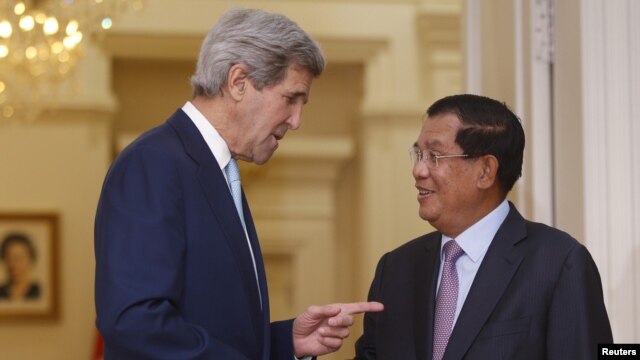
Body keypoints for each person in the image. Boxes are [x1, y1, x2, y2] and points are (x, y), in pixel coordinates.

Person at [94, 7, 382, 360]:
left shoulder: (215, 169)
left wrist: (285, 341)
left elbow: (210, 323)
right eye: (291, 99)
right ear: (238, 82)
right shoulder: (152, 163)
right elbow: (134, 322)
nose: (296, 121)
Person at [354, 94, 612, 359]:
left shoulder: (558, 263)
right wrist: (307, 353)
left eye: (435, 156)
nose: (418, 170)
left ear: (486, 171)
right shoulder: (396, 269)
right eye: (418, 154)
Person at [0, 232, 41, 300]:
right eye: (9, 258)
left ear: (31, 260)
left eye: (18, 258)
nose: (13, 264)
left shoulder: (38, 292)